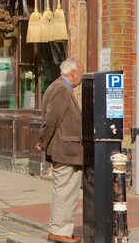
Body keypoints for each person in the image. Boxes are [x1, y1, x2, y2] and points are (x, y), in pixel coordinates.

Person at [35, 57, 84, 243]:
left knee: (67, 192)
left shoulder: (60, 87)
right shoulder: (60, 89)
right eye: (80, 72)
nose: (81, 77)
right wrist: (43, 142)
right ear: (73, 74)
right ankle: (59, 232)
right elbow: (51, 119)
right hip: (65, 150)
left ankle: (61, 230)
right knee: (65, 192)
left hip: (67, 149)